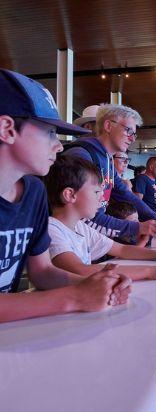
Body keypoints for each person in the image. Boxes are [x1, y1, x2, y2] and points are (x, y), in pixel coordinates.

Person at [0, 68, 131, 323]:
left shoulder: (32, 192)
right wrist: (75, 297)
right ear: (7, 129)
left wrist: (93, 283)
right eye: (49, 132)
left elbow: (42, 272)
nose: (59, 145)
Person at [44, 156, 156, 282]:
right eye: (96, 191)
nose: (102, 198)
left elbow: (122, 249)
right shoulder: (51, 230)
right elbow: (81, 270)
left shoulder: (79, 227)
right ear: (70, 195)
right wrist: (150, 271)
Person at [62, 104, 156, 241]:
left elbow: (125, 194)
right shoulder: (81, 156)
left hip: (90, 240)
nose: (132, 139)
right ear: (108, 126)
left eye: (134, 134)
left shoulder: (107, 160)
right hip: (69, 243)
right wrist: (137, 227)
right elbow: (84, 217)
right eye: (128, 130)